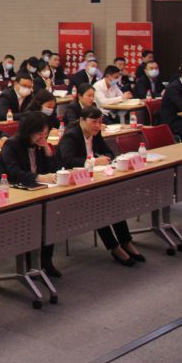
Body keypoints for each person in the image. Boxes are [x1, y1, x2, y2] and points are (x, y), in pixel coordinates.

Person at [56, 106, 146, 267]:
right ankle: (114, 247)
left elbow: (109, 152)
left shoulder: (95, 134)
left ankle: (126, 241)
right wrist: (94, 162)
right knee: (99, 205)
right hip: (73, 185)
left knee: (114, 201)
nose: (98, 126)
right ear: (82, 120)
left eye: (100, 122)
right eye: (94, 122)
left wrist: (106, 158)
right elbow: (67, 160)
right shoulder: (71, 135)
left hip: (93, 180)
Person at [0, 112, 61, 277]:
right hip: (11, 192)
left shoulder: (39, 145)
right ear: (29, 131)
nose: (42, 137)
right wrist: (39, 177)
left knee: (51, 210)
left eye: (45, 134)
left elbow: (53, 170)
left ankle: (46, 261)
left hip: (34, 191)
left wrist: (47, 149)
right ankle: (28, 264)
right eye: (39, 134)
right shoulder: (12, 144)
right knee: (32, 215)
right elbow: (13, 172)